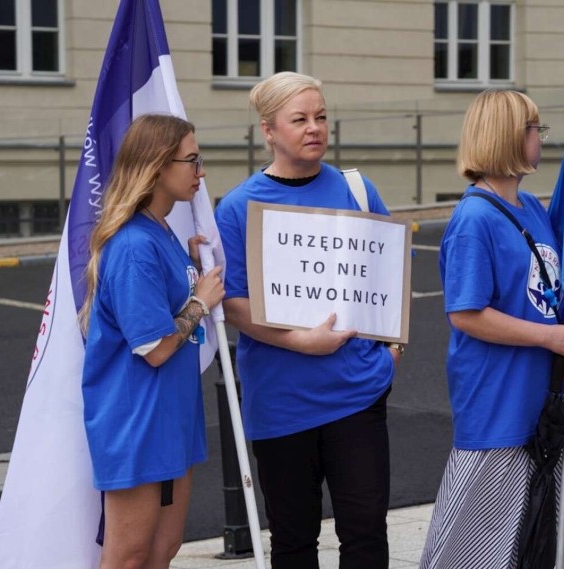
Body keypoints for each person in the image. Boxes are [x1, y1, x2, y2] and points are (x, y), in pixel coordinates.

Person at [214, 71, 399, 569]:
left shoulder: (357, 189)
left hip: (357, 394)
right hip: (281, 400)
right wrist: (303, 341)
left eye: (321, 117)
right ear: (269, 130)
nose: (314, 128)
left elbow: (387, 274)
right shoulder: (237, 208)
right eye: (299, 119)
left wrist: (392, 348)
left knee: (365, 533)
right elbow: (234, 304)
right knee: (294, 541)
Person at [419, 89, 564, 569]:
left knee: (529, 544)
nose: (542, 138)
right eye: (535, 129)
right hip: (496, 402)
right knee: (473, 549)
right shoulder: (474, 218)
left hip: (538, 401)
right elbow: (466, 314)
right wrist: (548, 339)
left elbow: (554, 297)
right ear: (507, 137)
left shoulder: (532, 207)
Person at [80, 114, 225, 569]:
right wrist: (200, 301)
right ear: (158, 166)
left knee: (162, 549)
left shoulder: (160, 231)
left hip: (169, 414)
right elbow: (156, 346)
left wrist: (190, 267)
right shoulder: (133, 245)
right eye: (192, 161)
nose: (200, 173)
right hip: (136, 418)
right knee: (129, 556)